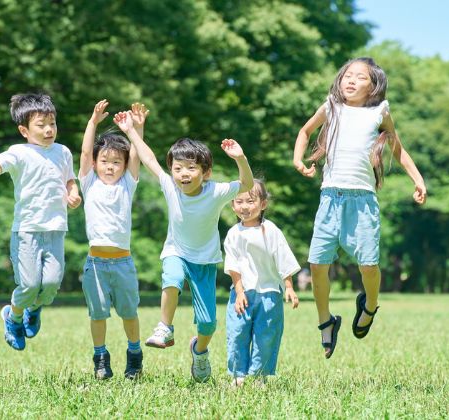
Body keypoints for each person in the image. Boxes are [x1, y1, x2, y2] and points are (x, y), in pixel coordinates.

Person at [293, 57, 427, 359]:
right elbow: (304, 132)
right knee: (317, 264)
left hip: (362, 201)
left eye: (360, 77)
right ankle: (325, 321)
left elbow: (398, 149)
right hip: (330, 198)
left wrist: (418, 180)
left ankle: (369, 305)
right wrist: (298, 160)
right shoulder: (331, 106)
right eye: (347, 76)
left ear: (374, 86)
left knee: (368, 265)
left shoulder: (379, 112)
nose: (350, 81)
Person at [114, 111, 254, 382]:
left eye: (190, 168)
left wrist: (240, 158)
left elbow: (247, 183)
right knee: (172, 278)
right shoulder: (170, 186)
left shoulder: (216, 191)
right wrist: (131, 130)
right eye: (177, 168)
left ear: (205, 172)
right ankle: (164, 327)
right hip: (176, 251)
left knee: (208, 323)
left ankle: (199, 351)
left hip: (205, 260)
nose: (183, 174)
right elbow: (148, 158)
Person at [0, 93, 81, 351]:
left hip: (56, 228)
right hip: (26, 231)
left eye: (52, 123)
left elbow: (69, 179)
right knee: (30, 283)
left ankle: (33, 309)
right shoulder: (19, 152)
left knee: (52, 284)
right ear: (24, 130)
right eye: (41, 124)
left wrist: (73, 191)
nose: (49, 130)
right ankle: (14, 317)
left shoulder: (63, 152)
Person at [79, 100, 148, 380]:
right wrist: (93, 122)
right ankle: (100, 357)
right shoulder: (89, 183)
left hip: (122, 263)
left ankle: (134, 353)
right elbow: (84, 151)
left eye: (116, 162)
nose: (110, 167)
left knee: (129, 313)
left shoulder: (127, 185)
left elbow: (136, 156)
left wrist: (137, 129)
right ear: (95, 164)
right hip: (95, 264)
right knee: (98, 315)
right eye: (105, 162)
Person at [223, 179, 300, 386]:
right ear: (232, 205)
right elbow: (233, 266)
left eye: (250, 201)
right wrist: (239, 292)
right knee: (237, 333)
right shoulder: (233, 234)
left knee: (266, 336)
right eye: (239, 202)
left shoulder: (271, 230)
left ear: (263, 204)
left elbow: (282, 257)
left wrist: (289, 287)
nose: (244, 207)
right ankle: (238, 375)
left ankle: (259, 376)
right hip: (241, 294)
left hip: (269, 293)